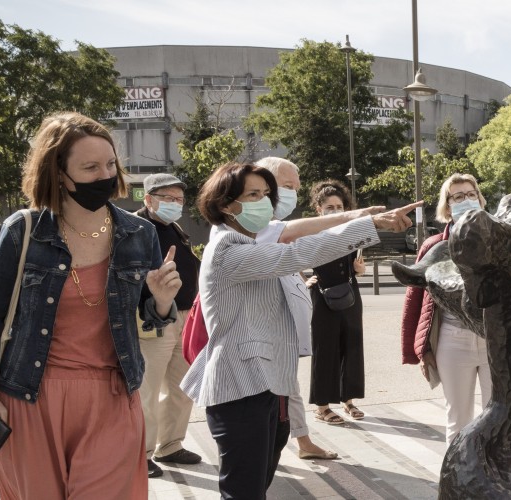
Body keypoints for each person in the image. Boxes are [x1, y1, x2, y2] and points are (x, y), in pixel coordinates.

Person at [0, 111, 181, 499]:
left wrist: (162, 302)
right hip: (30, 398)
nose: (106, 175)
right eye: (91, 166)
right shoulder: (24, 230)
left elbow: (151, 318)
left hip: (113, 397)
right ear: (59, 174)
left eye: (111, 164)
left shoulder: (140, 233)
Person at [179, 161, 418, 498]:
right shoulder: (228, 252)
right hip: (240, 389)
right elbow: (297, 253)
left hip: (267, 385)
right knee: (243, 491)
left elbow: (297, 230)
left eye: (265, 193)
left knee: (256, 486)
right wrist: (370, 225)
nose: (264, 201)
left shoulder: (247, 241)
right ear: (224, 204)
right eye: (252, 194)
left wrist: (359, 215)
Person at [255, 156, 339, 460]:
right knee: (268, 399)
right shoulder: (253, 229)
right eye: (288, 186)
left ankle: (302, 442)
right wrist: (364, 221)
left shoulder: (274, 228)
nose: (293, 193)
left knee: (288, 388)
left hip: (284, 335)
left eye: (296, 187)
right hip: (262, 340)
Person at [400, 173, 493, 444]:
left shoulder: (497, 238)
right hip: (452, 339)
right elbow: (415, 299)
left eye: (471, 194)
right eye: (458, 196)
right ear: (448, 205)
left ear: (480, 198)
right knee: (458, 418)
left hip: (494, 340)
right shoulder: (434, 246)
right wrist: (420, 349)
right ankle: (455, 481)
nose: (466, 200)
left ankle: (495, 482)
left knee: (498, 415)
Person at [133, 173, 204, 478]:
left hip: (185, 316)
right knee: (147, 389)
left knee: (181, 385)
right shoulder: (135, 228)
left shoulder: (174, 228)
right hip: (152, 317)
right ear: (148, 199)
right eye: (167, 198)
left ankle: (171, 444)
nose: (175, 204)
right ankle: (142, 452)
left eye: (179, 199)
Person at [305, 180, 370, 426]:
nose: (335, 210)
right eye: (329, 206)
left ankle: (348, 399)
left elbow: (357, 265)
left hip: (350, 292)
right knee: (325, 348)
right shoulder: (311, 231)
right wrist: (303, 278)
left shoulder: (352, 230)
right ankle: (322, 406)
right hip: (322, 293)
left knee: (352, 346)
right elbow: (289, 253)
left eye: (339, 206)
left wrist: (359, 269)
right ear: (318, 209)